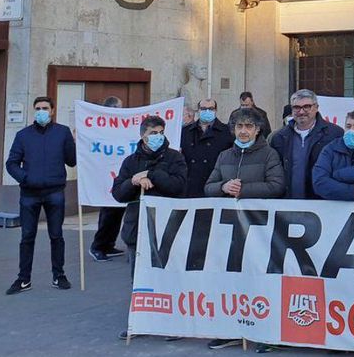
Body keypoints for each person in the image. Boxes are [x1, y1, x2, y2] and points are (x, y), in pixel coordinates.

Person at [202, 109, 285, 351]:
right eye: (239, 126)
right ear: (233, 129)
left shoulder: (269, 154)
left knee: (260, 281)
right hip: (228, 230)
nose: (244, 131)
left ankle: (263, 331)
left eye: (249, 126)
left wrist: (244, 190)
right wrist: (223, 186)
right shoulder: (224, 156)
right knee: (230, 281)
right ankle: (231, 330)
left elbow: (277, 186)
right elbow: (208, 187)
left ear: (258, 129)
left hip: (259, 229)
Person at [112, 116, 187, 342]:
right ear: (143, 135)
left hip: (167, 228)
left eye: (160, 132)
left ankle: (173, 324)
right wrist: (134, 181)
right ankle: (140, 321)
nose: (157, 137)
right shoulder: (131, 161)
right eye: (152, 133)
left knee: (169, 277)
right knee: (139, 278)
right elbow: (117, 194)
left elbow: (178, 186)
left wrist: (152, 175)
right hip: (138, 229)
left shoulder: (175, 158)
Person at [5, 96, 76, 295]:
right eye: (38, 108)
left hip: (55, 192)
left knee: (56, 235)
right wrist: (25, 178)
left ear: (52, 110)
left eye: (45, 108)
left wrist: (75, 143)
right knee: (27, 236)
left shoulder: (62, 133)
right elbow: (11, 163)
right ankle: (23, 278)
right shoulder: (23, 135)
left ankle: (59, 275)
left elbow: (72, 161)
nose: (41, 111)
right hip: (29, 194)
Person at [271, 90, 344, 199]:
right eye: (296, 107)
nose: (301, 112)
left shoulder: (335, 134)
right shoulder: (279, 137)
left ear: (316, 107)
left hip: (322, 204)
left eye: (306, 107)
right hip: (287, 205)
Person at [90, 96, 128, 263]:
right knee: (108, 214)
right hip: (106, 177)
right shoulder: (102, 128)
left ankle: (109, 244)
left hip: (119, 175)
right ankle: (97, 246)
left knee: (117, 212)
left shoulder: (119, 129)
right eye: (120, 107)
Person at [179, 98, 232, 198]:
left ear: (216, 111)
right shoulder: (185, 132)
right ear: (198, 111)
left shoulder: (227, 132)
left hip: (215, 185)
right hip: (191, 185)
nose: (207, 111)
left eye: (211, 109)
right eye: (203, 108)